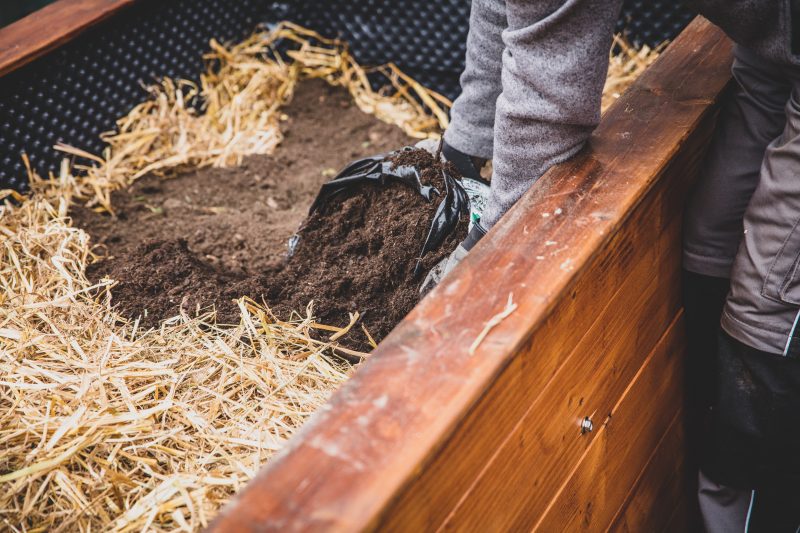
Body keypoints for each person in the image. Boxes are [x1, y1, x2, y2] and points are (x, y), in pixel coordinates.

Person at [422, 1, 800, 530]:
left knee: (771, 303)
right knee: (711, 235)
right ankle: (702, 445)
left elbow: (547, 100)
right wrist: (459, 150)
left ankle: (745, 499)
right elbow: (508, 9)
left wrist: (488, 250)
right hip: (772, 53)